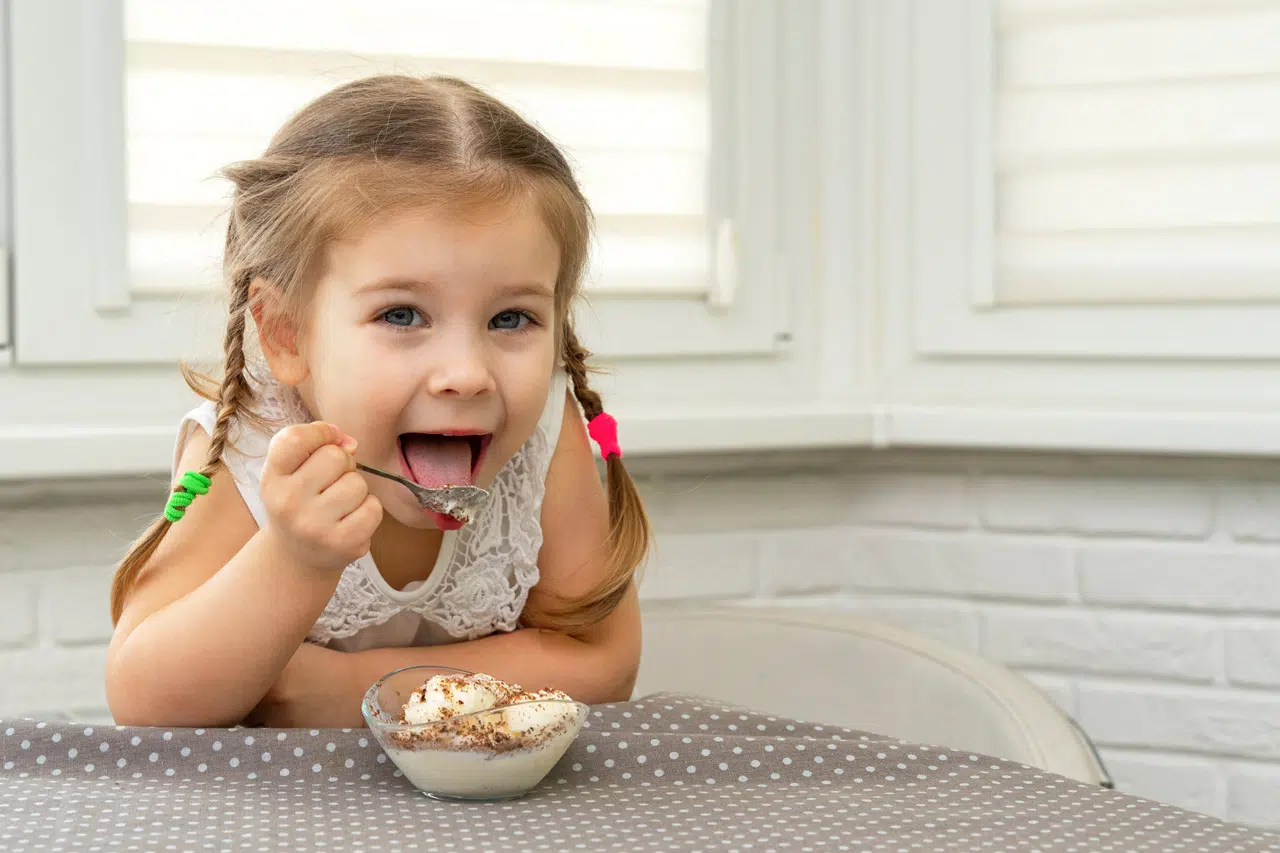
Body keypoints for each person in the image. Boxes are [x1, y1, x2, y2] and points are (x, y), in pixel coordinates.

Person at [104, 75, 650, 728]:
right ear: (286, 331)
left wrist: (345, 688)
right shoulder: (249, 448)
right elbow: (145, 700)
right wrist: (292, 559)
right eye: (402, 313)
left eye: (510, 319)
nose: (466, 374)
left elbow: (605, 664)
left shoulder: (542, 437)